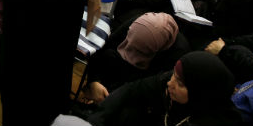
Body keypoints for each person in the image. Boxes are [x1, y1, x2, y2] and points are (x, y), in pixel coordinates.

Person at [87, 51, 241, 126]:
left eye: (180, 83)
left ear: (201, 94)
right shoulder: (170, 81)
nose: (170, 83)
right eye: (173, 75)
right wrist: (96, 119)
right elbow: (132, 90)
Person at [83, 12, 190, 104]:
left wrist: (112, 99)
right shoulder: (138, 24)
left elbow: (148, 88)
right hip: (121, 74)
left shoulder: (178, 53)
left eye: (139, 51)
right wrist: (94, 81)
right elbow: (103, 49)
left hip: (138, 88)